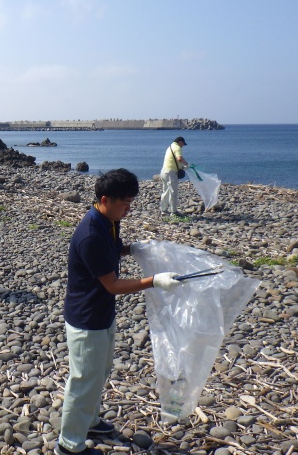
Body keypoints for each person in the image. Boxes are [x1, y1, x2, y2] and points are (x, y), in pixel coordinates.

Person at [57, 168, 181, 455]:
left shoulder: (108, 221)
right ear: (105, 199)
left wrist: (132, 250)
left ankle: (89, 421)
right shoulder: (90, 234)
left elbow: (111, 252)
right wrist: (154, 281)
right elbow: (112, 285)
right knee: (83, 381)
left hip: (102, 314)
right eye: (125, 203)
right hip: (87, 319)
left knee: (99, 373)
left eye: (131, 203)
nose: (128, 208)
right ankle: (69, 445)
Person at [160, 136, 189, 216]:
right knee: (173, 192)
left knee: (165, 191)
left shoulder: (169, 147)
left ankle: (163, 210)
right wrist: (187, 164)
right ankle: (174, 211)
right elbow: (179, 158)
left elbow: (172, 161)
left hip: (164, 171)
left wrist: (180, 167)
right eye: (183, 144)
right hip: (171, 173)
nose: (183, 145)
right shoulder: (177, 148)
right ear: (180, 142)